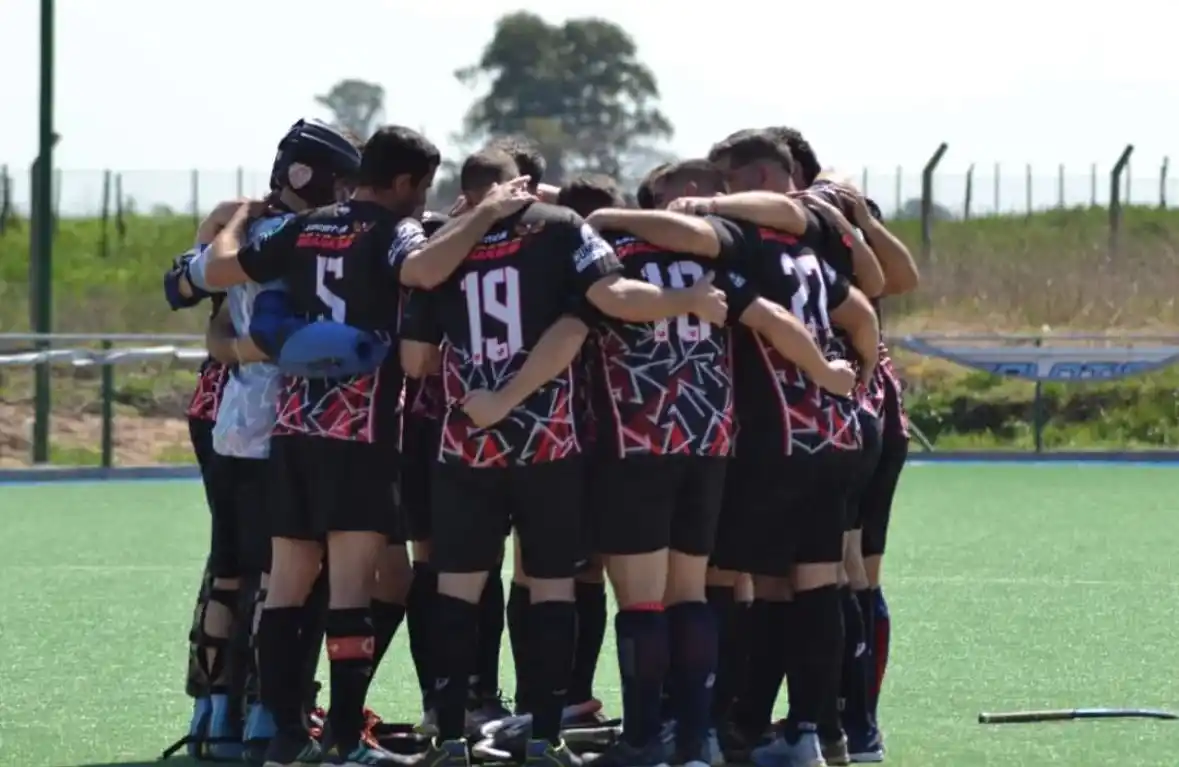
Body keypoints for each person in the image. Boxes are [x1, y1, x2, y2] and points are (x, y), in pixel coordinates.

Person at [203, 124, 533, 767]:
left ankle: (281, 737)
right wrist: (489, 213)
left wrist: (234, 222)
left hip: (294, 430)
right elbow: (424, 267)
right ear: (407, 183)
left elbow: (217, 269)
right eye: (424, 188)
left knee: (289, 586)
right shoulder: (394, 231)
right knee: (352, 589)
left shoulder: (304, 228)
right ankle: (346, 742)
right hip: (361, 435)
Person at [400, 147, 729, 767]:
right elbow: (606, 300)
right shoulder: (557, 229)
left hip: (464, 440)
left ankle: (449, 733)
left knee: (457, 587)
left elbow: (415, 359)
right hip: (549, 441)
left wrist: (479, 384)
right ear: (518, 185)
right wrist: (685, 301)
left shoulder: (442, 244)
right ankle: (548, 734)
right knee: (552, 585)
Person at [577, 161, 857, 767]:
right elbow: (771, 318)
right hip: (709, 440)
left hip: (638, 438)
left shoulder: (604, 247)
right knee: (689, 595)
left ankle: (646, 737)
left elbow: (597, 305)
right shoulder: (717, 259)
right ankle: (698, 736)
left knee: (642, 603)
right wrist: (829, 372)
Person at [697, 128, 881, 767]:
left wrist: (825, 369)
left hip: (773, 437)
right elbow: (862, 309)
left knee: (734, 582)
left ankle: (712, 733)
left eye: (726, 184)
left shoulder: (742, 246)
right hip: (833, 434)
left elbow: (771, 322)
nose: (717, 196)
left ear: (757, 183)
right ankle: (815, 733)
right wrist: (854, 374)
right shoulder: (808, 254)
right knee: (811, 584)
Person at [772, 128, 920, 760]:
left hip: (851, 405)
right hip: (859, 406)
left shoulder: (823, 222)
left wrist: (855, 217)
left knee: (843, 568)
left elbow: (896, 280)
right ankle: (844, 721)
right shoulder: (796, 225)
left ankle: (849, 721)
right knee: (848, 569)